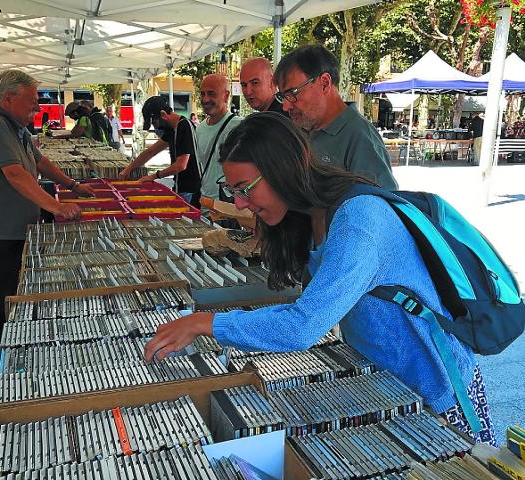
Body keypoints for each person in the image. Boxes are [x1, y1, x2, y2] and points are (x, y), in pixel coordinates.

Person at [143, 112, 497, 446]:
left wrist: (205, 323)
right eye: (232, 190)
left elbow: (303, 326)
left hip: (438, 388)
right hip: (387, 384)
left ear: (282, 171)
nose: (240, 203)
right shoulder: (309, 216)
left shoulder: (358, 221)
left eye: (245, 188)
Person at [0, 69, 93, 380]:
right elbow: (16, 174)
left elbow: (40, 163)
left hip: (11, 228)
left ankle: (1, 351)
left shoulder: (16, 127)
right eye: (32, 101)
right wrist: (56, 206)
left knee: (7, 290)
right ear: (9, 98)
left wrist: (73, 186)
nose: (37, 108)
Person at [274, 44, 397, 190]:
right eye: (283, 97)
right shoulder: (301, 129)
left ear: (325, 83)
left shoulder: (360, 136)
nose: (285, 106)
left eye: (292, 94)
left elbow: (380, 206)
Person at [119, 96, 201, 206]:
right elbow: (150, 152)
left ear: (163, 115)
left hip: (191, 191)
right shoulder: (172, 129)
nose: (155, 126)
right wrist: (128, 169)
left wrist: (153, 176)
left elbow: (181, 165)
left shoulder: (184, 127)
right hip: (180, 188)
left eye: (155, 123)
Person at [196, 74, 242, 201]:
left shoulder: (240, 126)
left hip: (230, 206)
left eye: (211, 94)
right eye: (202, 94)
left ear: (226, 96)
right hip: (205, 203)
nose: (205, 99)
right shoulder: (200, 129)